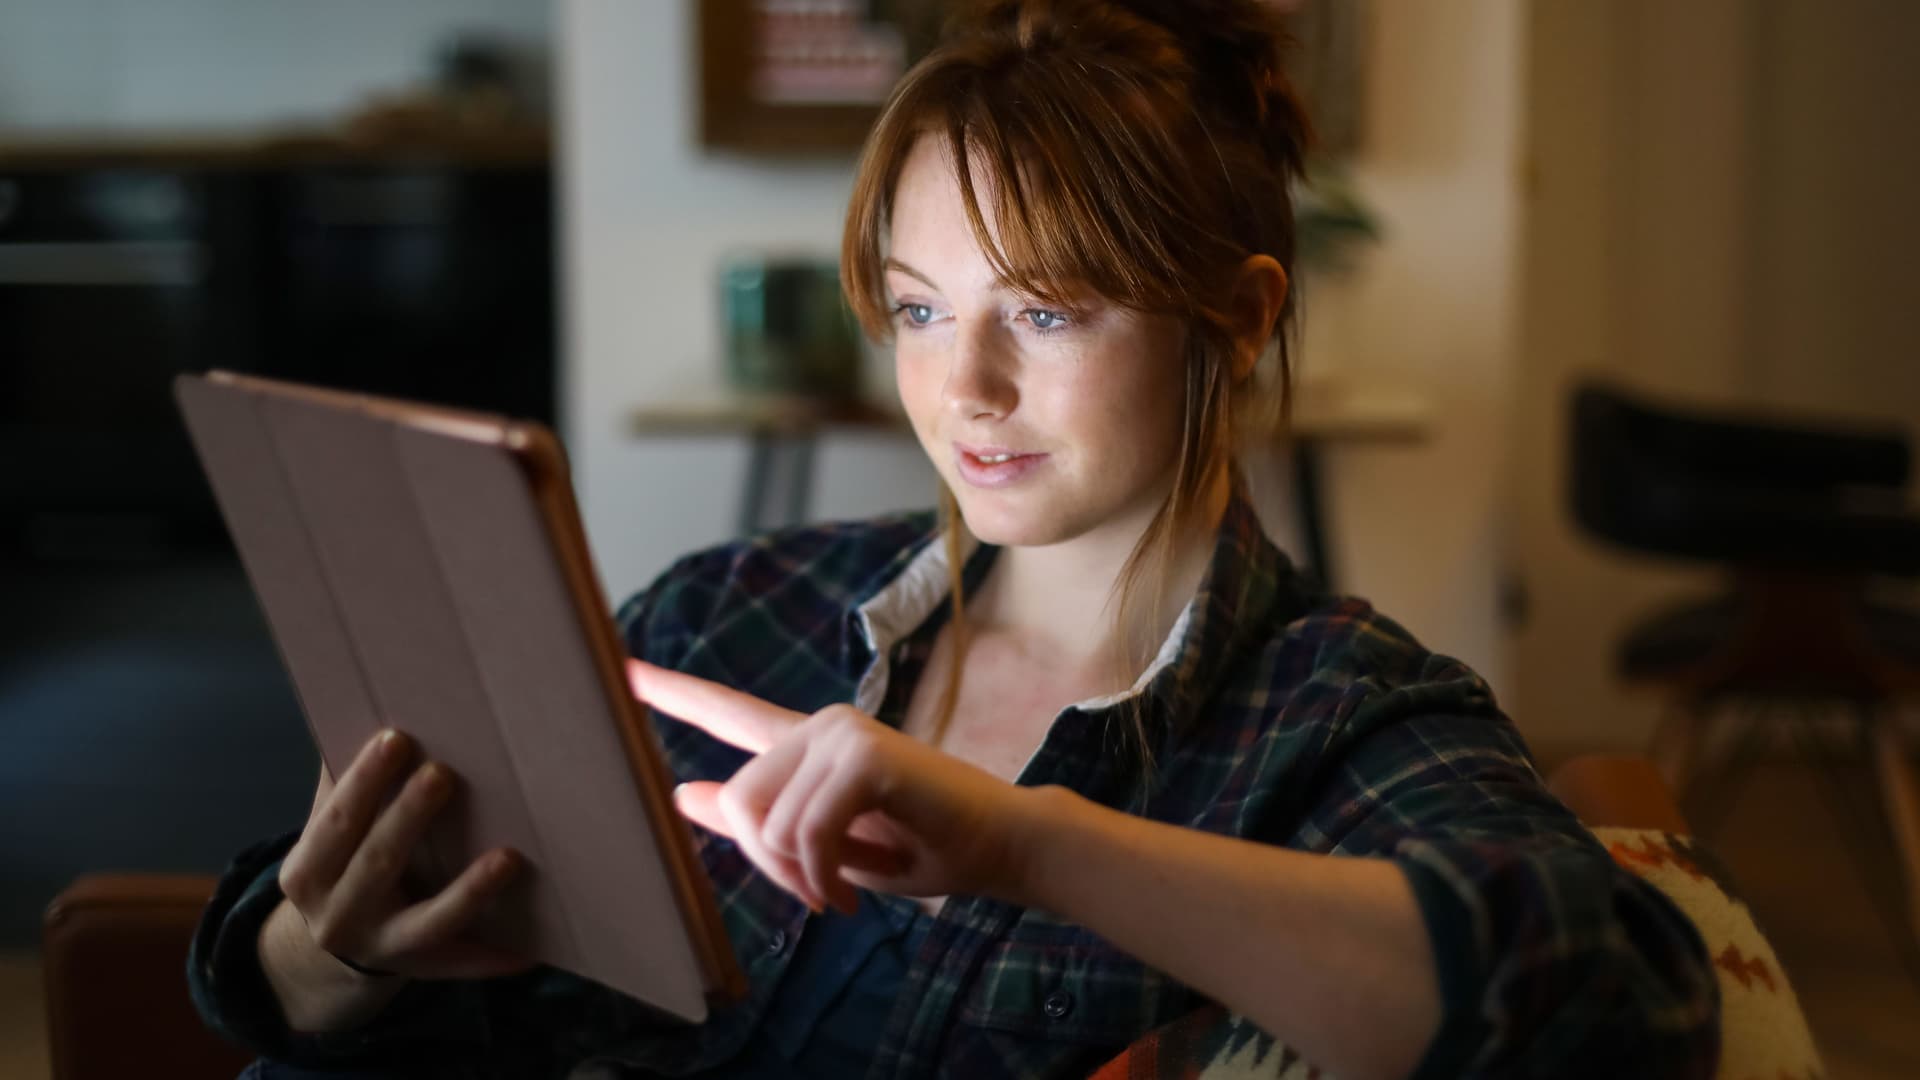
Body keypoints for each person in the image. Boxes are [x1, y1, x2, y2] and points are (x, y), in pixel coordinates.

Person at [189, 1, 1720, 1077]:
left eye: (1048, 312)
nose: (964, 387)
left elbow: (1625, 1010)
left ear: (1239, 320)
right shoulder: (737, 608)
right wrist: (331, 958)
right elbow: (283, 959)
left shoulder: (1330, 718)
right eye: (921, 310)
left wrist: (1023, 843)